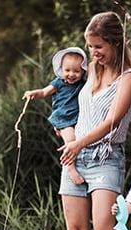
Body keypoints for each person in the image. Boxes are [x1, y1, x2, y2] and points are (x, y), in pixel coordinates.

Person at [58, 11, 131, 230]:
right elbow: (64, 104)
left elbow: (112, 123)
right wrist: (69, 139)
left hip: (106, 157)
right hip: (75, 157)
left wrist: (78, 143)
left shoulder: (129, 78)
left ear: (116, 43)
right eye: (91, 47)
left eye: (99, 47)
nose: (93, 53)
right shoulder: (89, 69)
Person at [24, 47, 88, 184]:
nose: (71, 74)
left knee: (81, 139)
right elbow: (44, 92)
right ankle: (70, 168)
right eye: (67, 70)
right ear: (61, 70)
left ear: (83, 70)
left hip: (78, 118)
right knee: (71, 140)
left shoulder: (83, 84)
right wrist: (34, 93)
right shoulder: (58, 83)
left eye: (76, 71)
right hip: (63, 118)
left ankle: (82, 164)